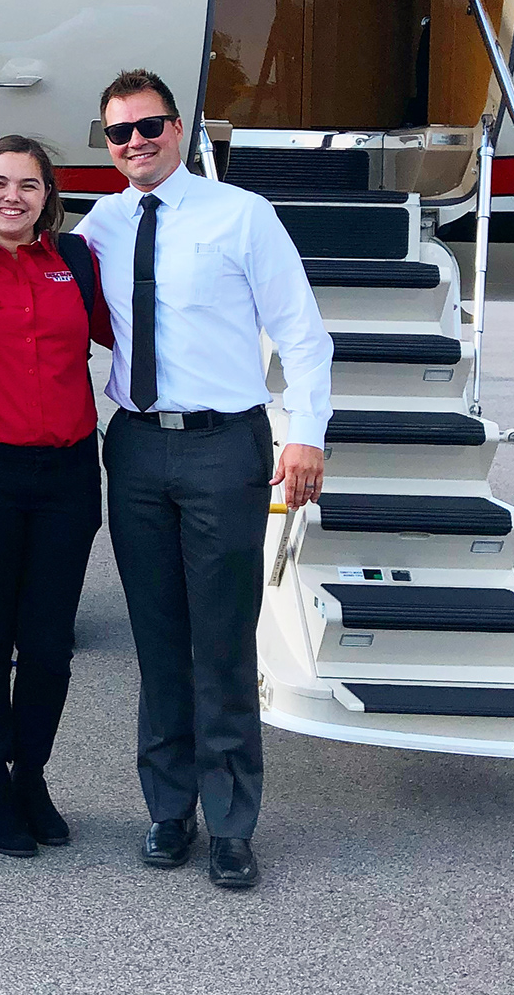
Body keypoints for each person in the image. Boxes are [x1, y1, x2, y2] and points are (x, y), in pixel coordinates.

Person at [75, 69, 331, 890]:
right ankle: (167, 810)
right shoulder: (100, 226)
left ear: (177, 129)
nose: (135, 142)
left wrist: (308, 436)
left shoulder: (240, 215)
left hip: (226, 448)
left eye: (149, 126)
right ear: (107, 142)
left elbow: (304, 333)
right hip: (139, 448)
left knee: (220, 641)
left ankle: (230, 824)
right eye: (119, 132)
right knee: (157, 642)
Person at [0, 136, 110, 857]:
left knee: (48, 645)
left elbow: (122, 334)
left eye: (28, 185)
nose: (12, 197)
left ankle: (31, 775)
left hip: (65, 475)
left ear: (48, 195)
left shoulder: (77, 262)